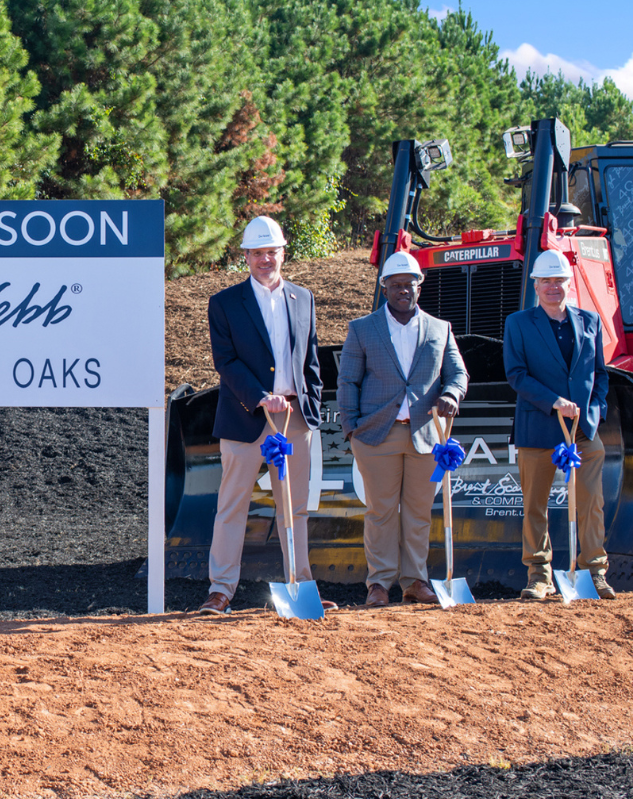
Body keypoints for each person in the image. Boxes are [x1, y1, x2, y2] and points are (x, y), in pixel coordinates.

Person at [199, 215, 326, 614]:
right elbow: (226, 361)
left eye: (272, 252)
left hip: (294, 418)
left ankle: (300, 587)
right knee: (232, 506)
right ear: (246, 257)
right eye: (257, 253)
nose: (265, 260)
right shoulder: (224, 303)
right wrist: (260, 397)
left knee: (295, 507)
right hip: (245, 418)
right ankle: (221, 591)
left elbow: (311, 358)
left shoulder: (303, 298)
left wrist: (310, 401)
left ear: (283, 253)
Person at [337, 251, 468, 607]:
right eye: (395, 285)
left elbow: (458, 373)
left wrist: (451, 394)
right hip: (377, 435)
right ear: (384, 289)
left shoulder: (440, 329)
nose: (403, 291)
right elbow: (347, 381)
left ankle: (414, 581)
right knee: (380, 512)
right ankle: (379, 583)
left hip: (426, 436)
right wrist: (351, 429)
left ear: (419, 287)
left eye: (409, 284)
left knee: (418, 513)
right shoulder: (363, 328)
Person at [502, 250, 615, 600]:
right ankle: (539, 575)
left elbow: (600, 374)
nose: (554, 287)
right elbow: (516, 374)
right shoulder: (519, 323)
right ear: (536, 286)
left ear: (569, 283)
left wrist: (594, 412)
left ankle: (595, 572)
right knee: (535, 506)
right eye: (546, 281)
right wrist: (554, 401)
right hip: (538, 427)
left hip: (582, 431)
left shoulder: (590, 321)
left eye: (559, 280)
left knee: (591, 502)